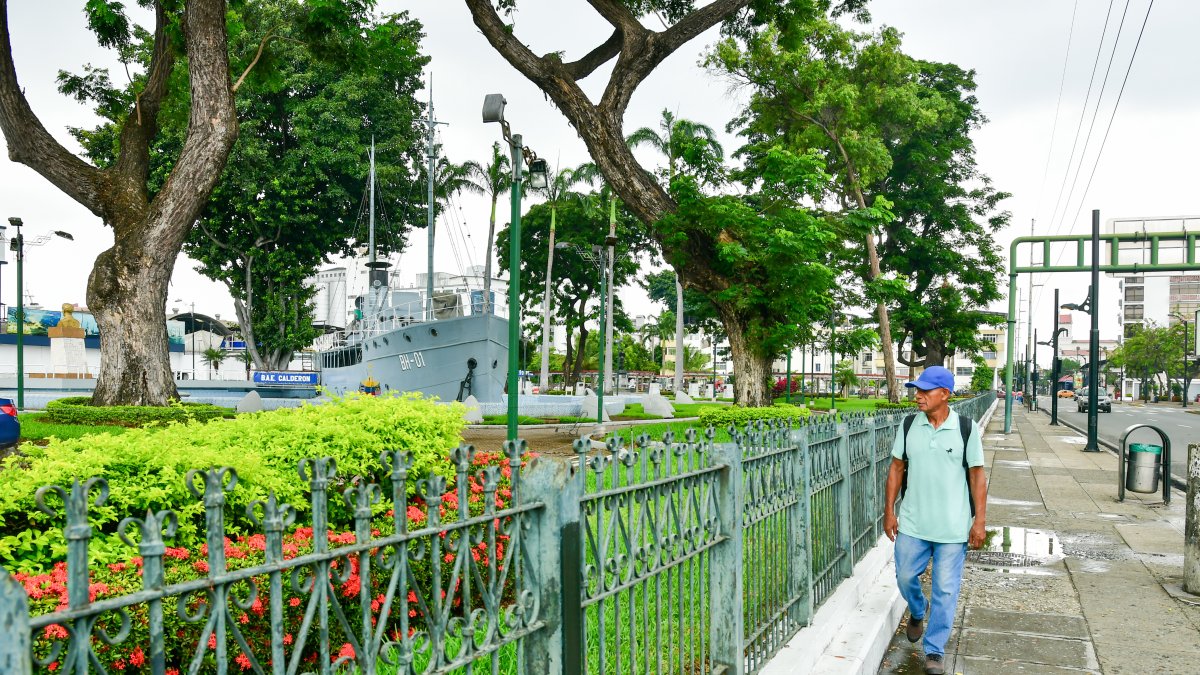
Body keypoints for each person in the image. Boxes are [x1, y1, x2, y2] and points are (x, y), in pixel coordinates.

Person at [883, 365, 987, 675]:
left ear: (945, 394)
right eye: (917, 390)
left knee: (945, 590)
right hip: (913, 523)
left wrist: (979, 521)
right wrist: (889, 511)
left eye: (925, 390)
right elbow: (896, 468)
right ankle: (918, 609)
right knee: (904, 577)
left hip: (952, 528)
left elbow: (977, 476)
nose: (918, 395)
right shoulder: (908, 425)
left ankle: (934, 650)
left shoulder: (965, 428)